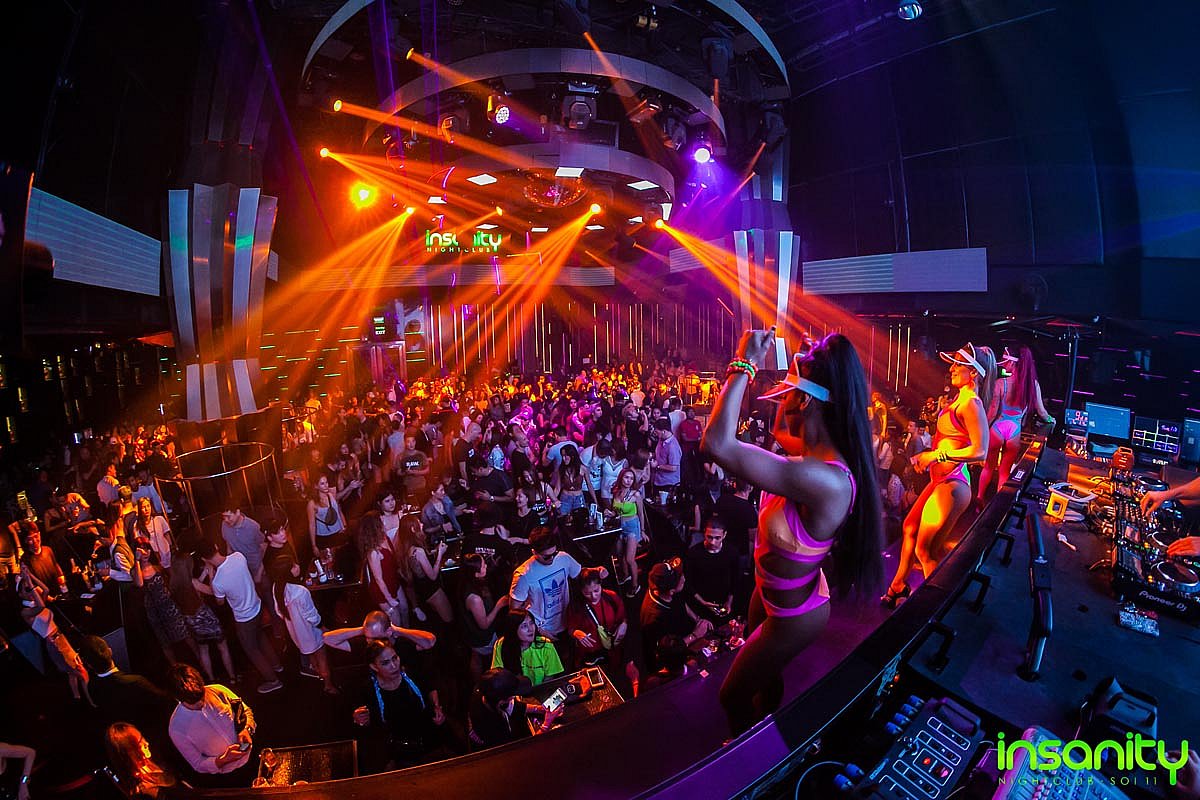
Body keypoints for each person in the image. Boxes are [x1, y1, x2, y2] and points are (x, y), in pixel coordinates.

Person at [702, 329, 883, 735]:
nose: (782, 400)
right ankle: (767, 722)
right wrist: (797, 379)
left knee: (732, 696)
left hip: (796, 614)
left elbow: (716, 443)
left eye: (790, 393)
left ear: (805, 402)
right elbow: (781, 430)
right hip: (770, 591)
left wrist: (745, 362)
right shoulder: (808, 457)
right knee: (764, 675)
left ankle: (751, 757)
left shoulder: (824, 480)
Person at [884, 343, 993, 606]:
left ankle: (930, 610)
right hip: (940, 482)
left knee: (925, 551)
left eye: (959, 364)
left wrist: (935, 456)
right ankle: (898, 586)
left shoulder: (972, 403)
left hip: (953, 484)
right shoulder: (959, 400)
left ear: (973, 372)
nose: (952, 368)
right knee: (909, 528)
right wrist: (925, 457)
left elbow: (981, 451)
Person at [194, 541, 283, 693]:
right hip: (257, 605)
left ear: (204, 559)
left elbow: (220, 602)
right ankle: (277, 665)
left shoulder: (218, 581)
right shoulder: (238, 557)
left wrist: (210, 574)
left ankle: (273, 680)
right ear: (216, 546)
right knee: (261, 637)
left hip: (244, 618)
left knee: (252, 649)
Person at [352, 640, 445, 769]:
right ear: (374, 666)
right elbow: (369, 724)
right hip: (396, 749)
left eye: (395, 658)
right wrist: (360, 719)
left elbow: (431, 688)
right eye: (385, 663)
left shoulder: (411, 673)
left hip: (428, 739)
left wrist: (437, 707)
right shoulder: (368, 690)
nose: (394, 666)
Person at [977, 346, 1053, 501]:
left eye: (1005, 362)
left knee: (988, 467)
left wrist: (982, 431)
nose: (1003, 365)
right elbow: (1042, 412)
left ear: (1012, 363)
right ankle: (998, 504)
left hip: (998, 428)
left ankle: (979, 498)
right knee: (1005, 472)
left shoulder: (1001, 383)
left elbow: (992, 413)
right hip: (1014, 430)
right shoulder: (1032, 385)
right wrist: (1051, 420)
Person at [79, 635, 174, 749]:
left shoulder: (93, 689)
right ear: (110, 651)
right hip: (159, 736)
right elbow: (165, 700)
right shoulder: (135, 681)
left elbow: (94, 704)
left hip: (131, 743)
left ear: (88, 665)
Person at [166, 664, 255, 781]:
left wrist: (246, 729)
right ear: (177, 699)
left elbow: (245, 710)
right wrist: (224, 759)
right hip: (229, 776)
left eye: (202, 697)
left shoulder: (218, 690)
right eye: (193, 703)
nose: (201, 704)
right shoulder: (177, 729)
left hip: (253, 753)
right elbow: (198, 764)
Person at [18, 574, 91, 704]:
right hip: (54, 644)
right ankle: (91, 700)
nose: (30, 590)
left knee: (72, 672)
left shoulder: (36, 602)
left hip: (60, 638)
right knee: (81, 671)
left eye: (30, 587)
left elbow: (46, 590)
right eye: (27, 589)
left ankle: (78, 699)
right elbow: (41, 607)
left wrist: (30, 577)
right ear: (20, 594)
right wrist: (30, 584)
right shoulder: (26, 611)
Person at [167, 551, 235, 682]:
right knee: (222, 646)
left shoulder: (173, 585)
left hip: (192, 621)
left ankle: (211, 679)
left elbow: (194, 586)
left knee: (203, 650)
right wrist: (210, 574)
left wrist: (204, 573)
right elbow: (212, 591)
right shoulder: (192, 583)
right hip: (206, 618)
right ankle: (232, 677)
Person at [270, 561, 336, 693]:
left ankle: (318, 674)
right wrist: (322, 627)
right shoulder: (300, 591)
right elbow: (312, 617)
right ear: (288, 572)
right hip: (312, 632)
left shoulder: (277, 588)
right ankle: (328, 685)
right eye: (293, 565)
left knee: (311, 655)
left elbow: (279, 612)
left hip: (297, 634)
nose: (297, 566)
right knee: (322, 658)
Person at [509, 527, 586, 640]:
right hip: (542, 632)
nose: (552, 558)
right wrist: (538, 630)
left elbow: (581, 575)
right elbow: (515, 611)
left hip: (567, 624)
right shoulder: (524, 574)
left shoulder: (563, 558)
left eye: (554, 553)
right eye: (546, 556)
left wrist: (597, 571)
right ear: (534, 552)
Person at [639, 558, 712, 673]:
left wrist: (698, 620)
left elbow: (681, 603)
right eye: (681, 579)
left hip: (682, 635)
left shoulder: (661, 586)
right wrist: (695, 635)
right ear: (671, 591)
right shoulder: (653, 618)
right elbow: (668, 651)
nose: (684, 578)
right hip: (671, 660)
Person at [467, 668, 562, 750]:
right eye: (513, 695)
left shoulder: (485, 691)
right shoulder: (492, 725)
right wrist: (546, 724)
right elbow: (523, 749)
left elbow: (515, 706)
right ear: (501, 701)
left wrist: (540, 709)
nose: (515, 697)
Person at [566, 567, 628, 669]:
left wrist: (624, 624)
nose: (593, 596)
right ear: (581, 590)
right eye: (587, 593)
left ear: (600, 584)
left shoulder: (611, 597)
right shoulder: (575, 607)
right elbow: (570, 628)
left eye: (596, 590)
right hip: (589, 653)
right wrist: (576, 633)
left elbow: (623, 616)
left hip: (612, 648)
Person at [460, 554, 510, 682]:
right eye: (483, 566)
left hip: (471, 632)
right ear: (476, 574)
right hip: (481, 637)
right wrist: (499, 605)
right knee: (486, 658)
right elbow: (484, 625)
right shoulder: (474, 599)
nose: (486, 566)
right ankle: (484, 683)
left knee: (475, 655)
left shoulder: (471, 581)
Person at [397, 514, 453, 624]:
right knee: (449, 619)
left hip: (423, 591)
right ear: (413, 529)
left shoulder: (406, 549)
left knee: (437, 620)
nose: (422, 524)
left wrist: (434, 552)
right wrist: (440, 554)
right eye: (419, 523)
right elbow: (433, 576)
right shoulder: (418, 551)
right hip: (432, 590)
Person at [684, 515, 739, 625]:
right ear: (704, 533)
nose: (713, 542)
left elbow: (736, 579)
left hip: (723, 602)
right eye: (709, 537)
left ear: (724, 535)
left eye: (717, 538)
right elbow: (687, 582)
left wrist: (729, 602)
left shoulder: (732, 552)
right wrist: (702, 602)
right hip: (700, 604)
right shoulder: (693, 553)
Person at [104, 722, 181, 798]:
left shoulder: (154, 760)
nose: (146, 743)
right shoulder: (143, 791)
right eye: (140, 742)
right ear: (130, 752)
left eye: (142, 737)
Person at [359, 511, 409, 627]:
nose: (384, 521)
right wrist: (389, 599)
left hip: (394, 582)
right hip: (383, 592)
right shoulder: (373, 552)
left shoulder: (385, 538)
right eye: (381, 520)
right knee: (396, 622)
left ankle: (408, 635)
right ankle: (396, 638)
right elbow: (378, 579)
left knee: (405, 609)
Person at [491, 608, 565, 686]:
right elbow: (498, 673)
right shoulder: (501, 644)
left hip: (538, 690)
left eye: (531, 623)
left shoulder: (546, 646)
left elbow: (549, 679)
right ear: (513, 629)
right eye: (524, 626)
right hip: (512, 689)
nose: (530, 629)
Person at [610, 467, 647, 596]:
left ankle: (635, 585)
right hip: (620, 526)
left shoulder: (636, 495)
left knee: (630, 559)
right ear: (621, 478)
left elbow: (641, 514)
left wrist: (642, 531)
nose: (629, 480)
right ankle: (626, 576)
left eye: (631, 478)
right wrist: (610, 513)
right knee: (619, 555)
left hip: (632, 527)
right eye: (626, 477)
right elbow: (616, 511)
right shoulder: (617, 492)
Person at [18, 521, 68, 596]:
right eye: (30, 539)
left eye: (36, 536)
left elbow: (55, 565)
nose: (35, 541)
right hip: (45, 597)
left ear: (39, 534)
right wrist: (48, 598)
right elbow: (32, 584)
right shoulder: (25, 559)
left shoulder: (48, 550)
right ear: (25, 541)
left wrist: (61, 576)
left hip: (58, 592)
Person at [307, 474, 347, 552]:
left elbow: (338, 511)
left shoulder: (331, 495)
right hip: (324, 537)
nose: (326, 486)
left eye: (326, 482)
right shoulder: (312, 503)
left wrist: (344, 526)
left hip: (338, 532)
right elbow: (312, 525)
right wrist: (314, 545)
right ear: (316, 486)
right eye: (322, 483)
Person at [131, 497, 173, 570]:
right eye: (143, 507)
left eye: (148, 506)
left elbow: (167, 534)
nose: (147, 509)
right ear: (140, 509)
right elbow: (139, 542)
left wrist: (171, 548)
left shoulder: (159, 519)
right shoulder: (137, 525)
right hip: (152, 558)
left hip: (166, 553)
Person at [651, 417, 683, 496]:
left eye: (657, 431)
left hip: (668, 483)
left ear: (664, 431)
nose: (655, 433)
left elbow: (674, 467)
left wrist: (657, 466)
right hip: (658, 480)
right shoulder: (661, 439)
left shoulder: (673, 446)